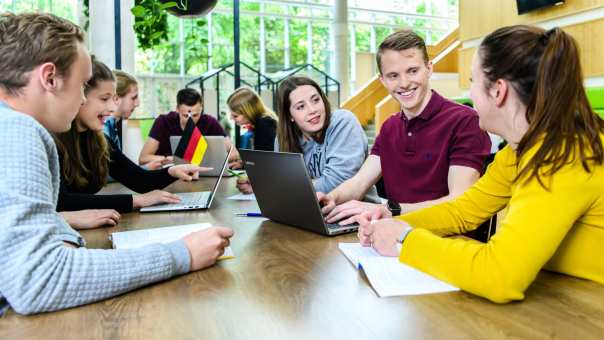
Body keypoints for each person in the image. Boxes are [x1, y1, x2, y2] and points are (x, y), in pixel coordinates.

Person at [0, 12, 233, 315]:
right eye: (83, 86)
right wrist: (183, 253)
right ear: (50, 78)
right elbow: (40, 280)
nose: (84, 99)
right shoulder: (16, 130)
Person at [356, 25, 604, 303]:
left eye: (472, 81)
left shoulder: (563, 155)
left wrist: (405, 240)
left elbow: (499, 275)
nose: (469, 95)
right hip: (562, 298)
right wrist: (393, 222)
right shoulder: (521, 148)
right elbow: (465, 210)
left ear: (498, 91)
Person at [319, 29, 491, 225]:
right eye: (393, 75)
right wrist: (331, 198)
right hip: (392, 236)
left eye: (412, 71)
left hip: (447, 241)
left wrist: (391, 210)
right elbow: (359, 182)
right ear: (382, 80)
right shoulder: (389, 127)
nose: (404, 83)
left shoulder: (465, 121)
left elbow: (458, 202)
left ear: (429, 68)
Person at [54, 56, 207, 229]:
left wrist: (172, 171)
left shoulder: (99, 141)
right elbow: (61, 201)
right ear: (80, 96)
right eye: (104, 99)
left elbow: (138, 179)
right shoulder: (54, 140)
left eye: (113, 99)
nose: (112, 107)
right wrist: (135, 201)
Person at [236, 76, 375, 197]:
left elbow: (337, 183)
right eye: (301, 107)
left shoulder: (342, 122)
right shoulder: (284, 138)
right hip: (310, 213)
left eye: (315, 100)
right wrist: (261, 186)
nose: (312, 110)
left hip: (357, 217)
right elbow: (282, 181)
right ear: (289, 115)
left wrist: (277, 188)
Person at [139, 88, 239, 168]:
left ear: (201, 108)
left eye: (195, 115)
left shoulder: (210, 122)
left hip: (202, 176)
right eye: (185, 115)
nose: (190, 120)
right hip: (169, 177)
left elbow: (234, 153)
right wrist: (170, 159)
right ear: (177, 109)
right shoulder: (163, 122)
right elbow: (143, 158)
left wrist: (209, 161)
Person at [227, 87, 277, 151]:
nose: (231, 118)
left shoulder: (264, 125)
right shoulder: (264, 121)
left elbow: (263, 158)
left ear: (248, 112)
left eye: (235, 116)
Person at [103, 70, 139, 151]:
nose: (137, 104)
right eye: (133, 98)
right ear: (116, 98)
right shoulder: (104, 127)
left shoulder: (113, 124)